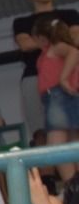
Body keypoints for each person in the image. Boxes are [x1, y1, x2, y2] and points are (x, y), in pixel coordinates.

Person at [12, 0, 79, 138]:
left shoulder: (70, 14)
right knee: (40, 130)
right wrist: (60, 37)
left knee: (74, 128)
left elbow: (77, 39)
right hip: (34, 77)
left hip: (70, 74)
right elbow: (25, 45)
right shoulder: (21, 22)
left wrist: (41, 41)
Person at [32, 19, 79, 183]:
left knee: (56, 144)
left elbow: (74, 52)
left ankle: (71, 183)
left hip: (58, 96)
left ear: (41, 38)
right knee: (72, 140)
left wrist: (64, 78)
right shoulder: (48, 52)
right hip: (58, 97)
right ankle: (74, 182)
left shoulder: (55, 47)